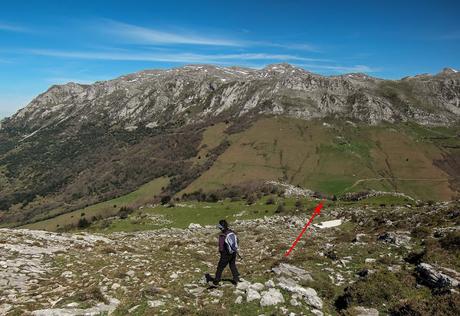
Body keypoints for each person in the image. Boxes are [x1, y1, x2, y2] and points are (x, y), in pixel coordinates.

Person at [206, 219, 240, 285]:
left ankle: (216, 281)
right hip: (233, 252)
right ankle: (236, 279)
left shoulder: (222, 235)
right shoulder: (231, 232)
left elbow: (221, 247)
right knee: (232, 265)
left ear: (221, 227)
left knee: (220, 267)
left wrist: (221, 252)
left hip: (226, 254)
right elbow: (237, 241)